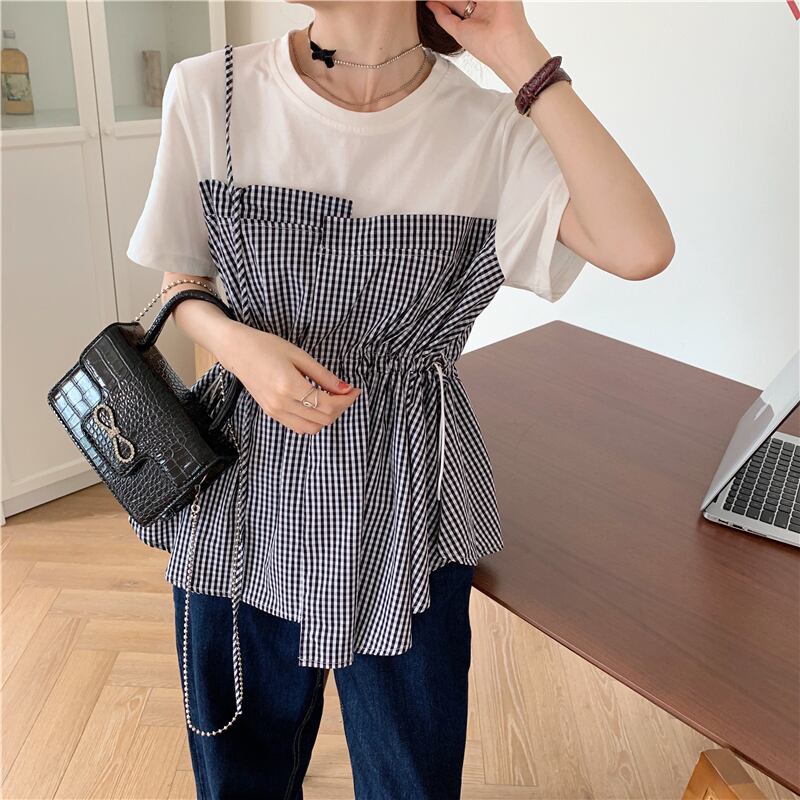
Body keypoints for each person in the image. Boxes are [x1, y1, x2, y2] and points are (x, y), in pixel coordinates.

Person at [125, 1, 674, 797]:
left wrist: (515, 49)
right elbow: (182, 281)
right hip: (242, 494)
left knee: (410, 781)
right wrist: (238, 346)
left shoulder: (491, 130)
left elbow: (640, 247)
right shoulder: (214, 89)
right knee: (239, 777)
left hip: (410, 499)